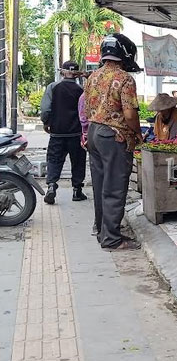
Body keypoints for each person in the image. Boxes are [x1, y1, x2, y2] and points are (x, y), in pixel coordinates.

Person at [83, 33, 143, 251]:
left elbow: (87, 109)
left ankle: (101, 230)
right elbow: (129, 114)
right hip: (114, 135)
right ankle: (111, 239)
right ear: (125, 54)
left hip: (94, 133)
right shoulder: (124, 78)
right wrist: (137, 134)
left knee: (100, 185)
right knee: (115, 186)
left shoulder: (93, 77)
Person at [40, 61, 88, 205]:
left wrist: (46, 122)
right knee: (78, 162)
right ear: (77, 74)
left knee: (54, 160)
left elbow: (45, 109)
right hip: (76, 133)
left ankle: (52, 186)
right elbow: (86, 112)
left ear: (62, 72)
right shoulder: (81, 90)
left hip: (57, 133)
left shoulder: (53, 87)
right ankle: (77, 191)